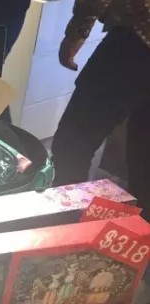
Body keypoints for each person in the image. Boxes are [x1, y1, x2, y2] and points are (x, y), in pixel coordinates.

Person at [51, 0, 150, 217]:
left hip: (136, 42)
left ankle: (65, 223)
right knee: (144, 159)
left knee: (74, 142)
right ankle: (140, 231)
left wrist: (77, 32)